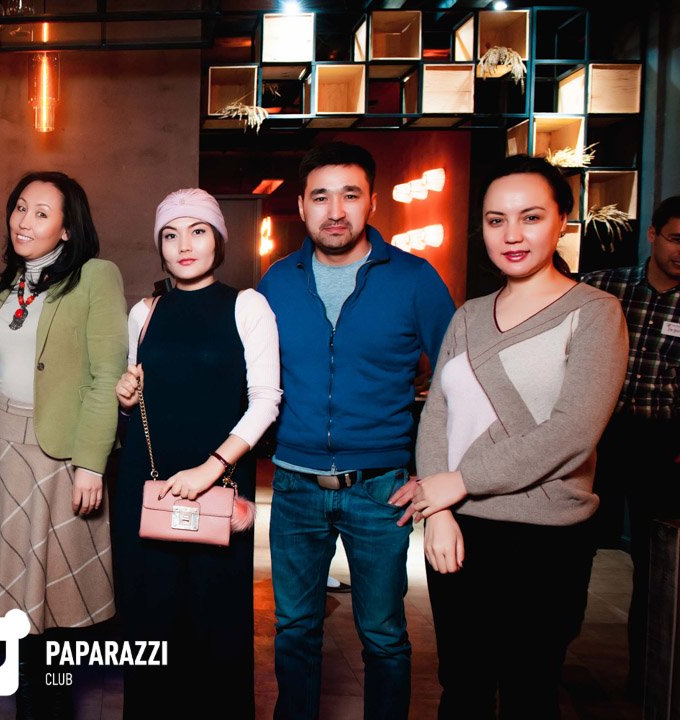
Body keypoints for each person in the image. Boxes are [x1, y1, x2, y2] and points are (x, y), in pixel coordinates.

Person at [391, 154, 628, 717]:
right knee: (462, 687)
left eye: (531, 217)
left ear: (563, 220)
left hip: (546, 536)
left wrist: (457, 482)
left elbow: (573, 432)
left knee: (530, 691)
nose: (512, 235)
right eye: (496, 220)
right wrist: (439, 510)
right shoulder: (468, 315)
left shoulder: (595, 312)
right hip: (459, 528)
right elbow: (437, 416)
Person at [257, 141, 456, 719]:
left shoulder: (414, 279)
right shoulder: (277, 282)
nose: (335, 211)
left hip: (380, 489)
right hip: (294, 486)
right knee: (295, 630)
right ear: (302, 205)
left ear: (371, 201)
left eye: (350, 195)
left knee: (384, 637)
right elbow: (248, 376)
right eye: (321, 197)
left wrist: (435, 477)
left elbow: (456, 383)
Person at [0, 171, 127, 718]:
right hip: (0, 450)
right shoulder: (5, 287)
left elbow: (106, 375)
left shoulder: (95, 276)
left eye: (42, 213)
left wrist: (90, 464)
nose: (24, 221)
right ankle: (31, 705)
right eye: (20, 207)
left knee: (53, 612)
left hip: (58, 457)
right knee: (12, 607)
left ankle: (48, 709)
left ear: (68, 229)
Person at [111, 188, 281, 717]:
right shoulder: (143, 312)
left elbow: (266, 400)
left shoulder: (247, 305)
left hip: (216, 483)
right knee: (149, 626)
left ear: (218, 240)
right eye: (170, 235)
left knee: (216, 628)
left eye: (197, 231)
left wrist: (211, 467)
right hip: (149, 484)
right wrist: (126, 397)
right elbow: (141, 404)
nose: (184, 245)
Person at [581, 194, 680, 695]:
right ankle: (548, 654)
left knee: (655, 560)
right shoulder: (605, 286)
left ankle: (646, 678)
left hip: (663, 442)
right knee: (574, 546)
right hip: (599, 435)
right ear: (654, 235)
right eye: (676, 239)